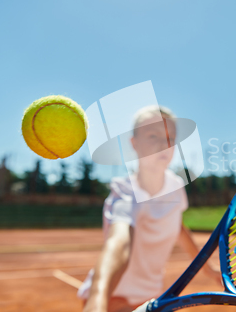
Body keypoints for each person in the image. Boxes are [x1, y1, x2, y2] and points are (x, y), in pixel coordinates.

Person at [79, 105, 220, 312]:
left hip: (151, 297)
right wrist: (97, 300)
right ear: (134, 143)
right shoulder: (125, 191)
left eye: (170, 139)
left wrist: (207, 269)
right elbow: (118, 243)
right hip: (113, 297)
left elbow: (177, 226)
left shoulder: (175, 186)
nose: (163, 145)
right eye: (153, 136)